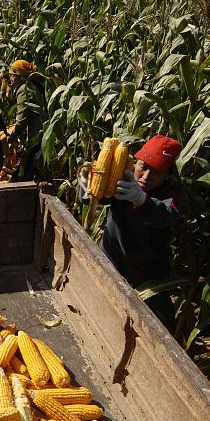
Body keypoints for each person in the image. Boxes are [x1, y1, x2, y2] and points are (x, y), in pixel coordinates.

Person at [79, 134, 184, 331]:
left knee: (160, 326)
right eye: (143, 167)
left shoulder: (173, 194)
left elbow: (164, 217)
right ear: (135, 162)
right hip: (111, 256)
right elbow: (95, 198)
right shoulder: (122, 175)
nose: (145, 177)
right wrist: (86, 186)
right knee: (100, 312)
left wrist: (141, 200)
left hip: (147, 271)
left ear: (167, 174)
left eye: (156, 172)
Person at [4, 60, 47, 181]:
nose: (10, 79)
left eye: (12, 75)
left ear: (19, 76)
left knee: (24, 173)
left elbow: (22, 120)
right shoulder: (31, 87)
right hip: (40, 134)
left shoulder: (24, 90)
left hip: (36, 137)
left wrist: (12, 135)